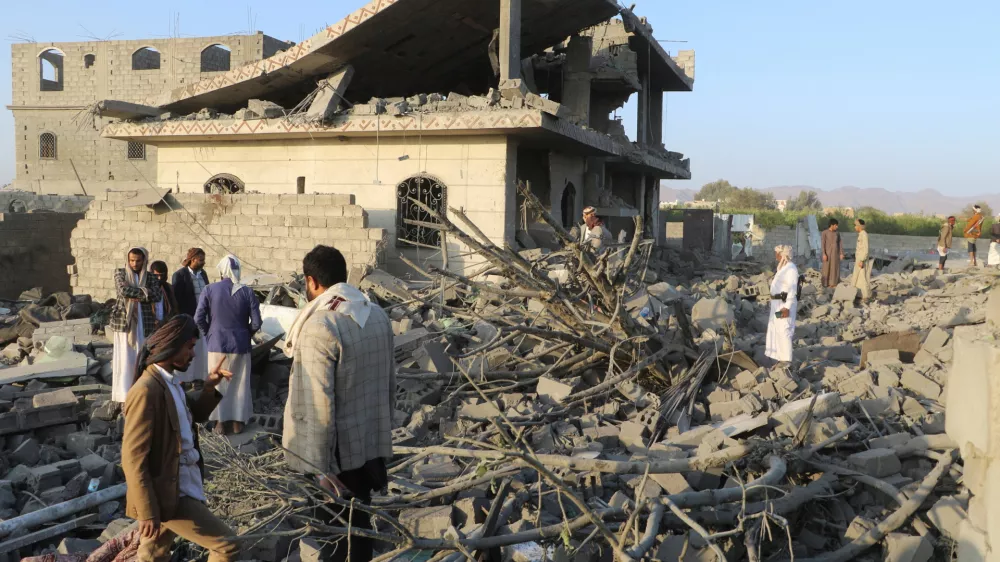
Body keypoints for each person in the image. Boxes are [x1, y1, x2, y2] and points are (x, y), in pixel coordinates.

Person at [283, 245, 394, 562]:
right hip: (369, 449)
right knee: (360, 526)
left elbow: (320, 406)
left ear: (311, 282)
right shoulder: (377, 315)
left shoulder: (321, 326)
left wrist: (320, 468)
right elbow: (389, 386)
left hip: (335, 458)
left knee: (332, 534)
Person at [121, 314, 240, 562]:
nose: (193, 355)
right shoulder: (146, 390)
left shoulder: (170, 382)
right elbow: (133, 458)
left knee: (153, 553)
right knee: (227, 545)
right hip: (170, 491)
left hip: (180, 481)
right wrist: (147, 510)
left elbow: (191, 415)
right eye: (189, 347)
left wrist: (209, 388)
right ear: (172, 345)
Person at [195, 255, 261, 435]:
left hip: (216, 343)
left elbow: (198, 318)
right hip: (241, 344)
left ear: (221, 271)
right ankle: (238, 424)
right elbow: (256, 322)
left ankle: (220, 424)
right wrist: (246, 334)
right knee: (239, 384)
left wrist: (209, 334)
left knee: (218, 384)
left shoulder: (209, 289)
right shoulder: (247, 291)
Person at [109, 247, 162, 403]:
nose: (134, 264)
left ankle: (141, 392)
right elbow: (123, 291)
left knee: (141, 356)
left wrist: (138, 293)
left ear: (144, 260)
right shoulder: (120, 273)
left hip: (144, 323)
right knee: (125, 358)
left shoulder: (151, 277)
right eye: (132, 260)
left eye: (138, 261)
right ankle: (123, 395)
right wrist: (145, 292)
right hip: (124, 323)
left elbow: (157, 295)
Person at [172, 248, 210, 381]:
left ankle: (199, 378)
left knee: (201, 350)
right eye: (201, 259)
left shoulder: (203, 274)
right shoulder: (180, 275)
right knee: (187, 348)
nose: (203, 262)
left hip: (202, 318)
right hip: (188, 318)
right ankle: (185, 379)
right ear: (193, 259)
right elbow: (176, 299)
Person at [766, 245, 798, 366]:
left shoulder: (791, 269)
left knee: (785, 330)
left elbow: (792, 288)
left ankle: (786, 360)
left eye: (778, 253)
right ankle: (780, 357)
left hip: (784, 305)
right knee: (777, 329)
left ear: (783, 255)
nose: (776, 255)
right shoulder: (784, 268)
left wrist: (787, 307)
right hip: (777, 304)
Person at [149, 261, 179, 327]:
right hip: (150, 325)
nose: (159, 278)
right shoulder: (147, 288)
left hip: (166, 324)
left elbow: (174, 308)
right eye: (157, 275)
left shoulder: (169, 288)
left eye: (161, 275)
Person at [850, 219, 873, 302]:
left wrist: (862, 260)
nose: (855, 227)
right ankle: (859, 294)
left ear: (859, 226)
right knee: (858, 277)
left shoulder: (864, 234)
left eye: (855, 225)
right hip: (859, 259)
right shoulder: (860, 234)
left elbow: (865, 249)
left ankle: (866, 296)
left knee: (863, 278)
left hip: (861, 260)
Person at [820, 219, 843, 288]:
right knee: (826, 268)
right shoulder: (824, 233)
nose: (837, 227)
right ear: (832, 225)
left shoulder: (837, 233)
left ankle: (833, 283)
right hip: (827, 253)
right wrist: (824, 254)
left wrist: (841, 253)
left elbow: (840, 243)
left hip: (835, 254)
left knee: (835, 268)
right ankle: (825, 283)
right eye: (836, 225)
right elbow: (823, 243)